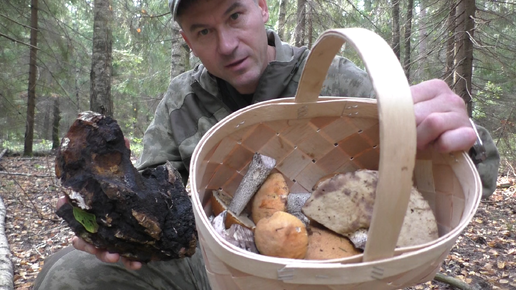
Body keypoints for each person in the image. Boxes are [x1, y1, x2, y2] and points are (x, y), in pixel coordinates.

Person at [34, 0, 500, 288]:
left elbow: (443, 180)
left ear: (260, 6)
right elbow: (156, 196)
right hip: (212, 266)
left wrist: (461, 143)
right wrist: (114, 227)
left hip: (331, 279)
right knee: (67, 273)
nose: (228, 43)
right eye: (204, 31)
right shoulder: (182, 99)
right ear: (187, 41)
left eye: (234, 15)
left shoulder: (337, 79)